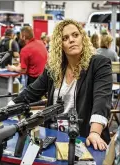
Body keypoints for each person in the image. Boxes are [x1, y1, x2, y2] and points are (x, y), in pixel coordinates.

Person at [9, 19, 112, 150]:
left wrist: (95, 133)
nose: (71, 40)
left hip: (85, 138)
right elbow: (31, 92)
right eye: (65, 38)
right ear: (60, 44)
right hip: (54, 137)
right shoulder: (54, 68)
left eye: (75, 35)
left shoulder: (99, 64)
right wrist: (5, 111)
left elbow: (102, 100)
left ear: (83, 38)